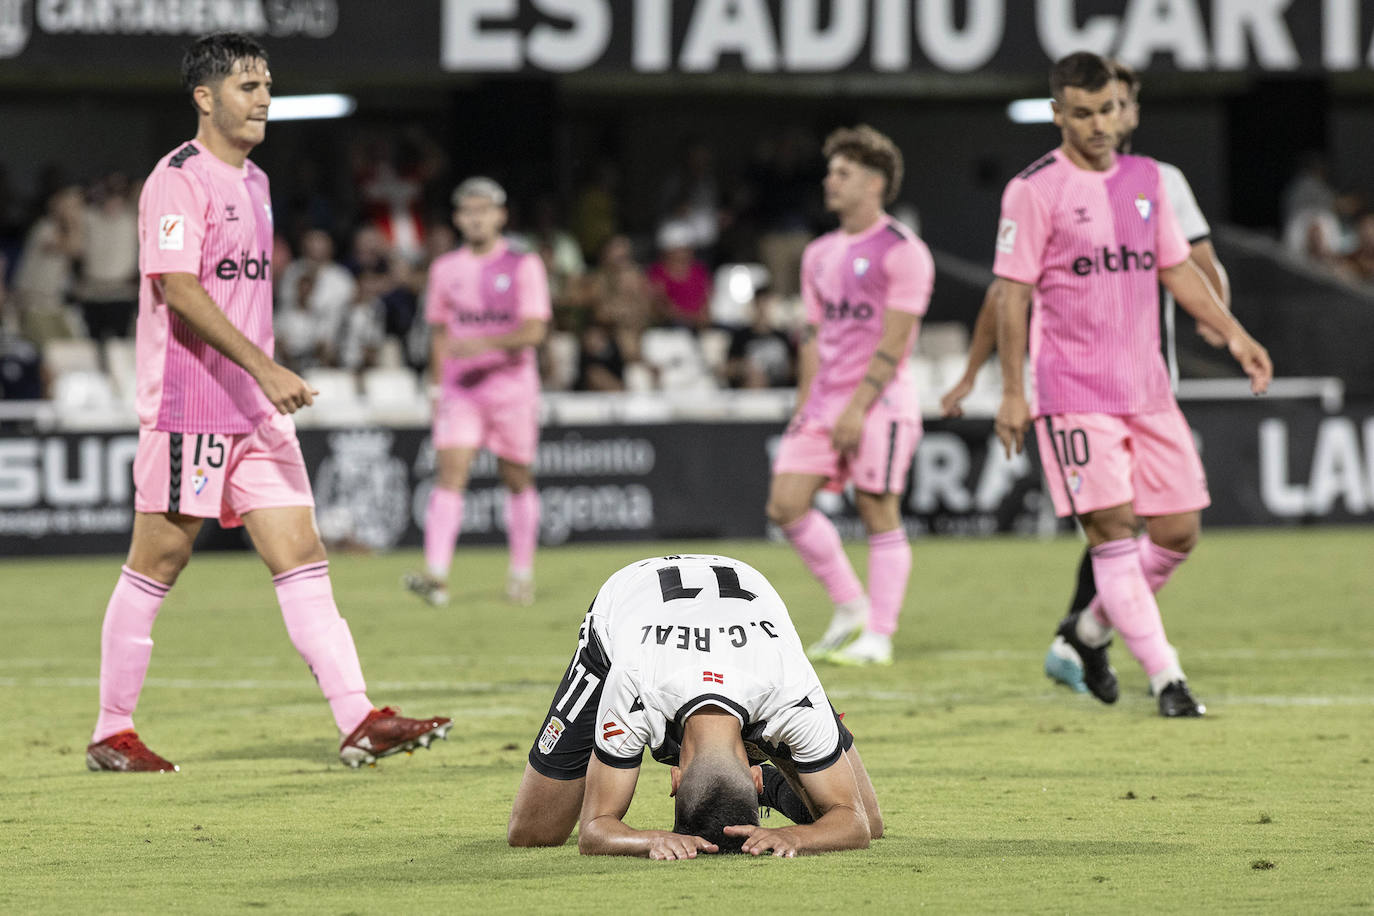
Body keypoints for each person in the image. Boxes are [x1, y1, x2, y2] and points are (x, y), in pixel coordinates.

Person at [84, 33, 452, 774]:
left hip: (253, 409)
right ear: (205, 97)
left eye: (267, 85)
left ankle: (359, 719)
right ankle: (111, 731)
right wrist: (266, 365)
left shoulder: (254, 180)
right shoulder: (177, 179)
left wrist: (261, 377)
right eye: (248, 86)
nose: (263, 100)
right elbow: (178, 290)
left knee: (303, 555)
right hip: (192, 403)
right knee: (159, 559)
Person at [989, 52, 1272, 717]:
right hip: (1074, 394)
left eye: (1109, 109)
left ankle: (1088, 632)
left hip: (1149, 389)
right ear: (1059, 114)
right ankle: (1169, 679)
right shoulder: (1033, 190)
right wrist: (1010, 390)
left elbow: (1177, 271)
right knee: (1113, 534)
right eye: (1083, 113)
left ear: (1124, 107)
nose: (1099, 125)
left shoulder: (1148, 179)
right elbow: (1010, 297)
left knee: (1177, 533)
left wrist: (1236, 336)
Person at [506, 553, 883, 858]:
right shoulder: (635, 681)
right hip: (630, 598)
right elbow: (591, 831)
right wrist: (648, 839)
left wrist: (794, 836)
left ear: (676, 778)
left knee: (869, 819)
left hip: (757, 644)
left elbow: (861, 824)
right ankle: (748, 789)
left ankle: (760, 789)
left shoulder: (790, 685)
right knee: (536, 831)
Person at [763, 125, 935, 667]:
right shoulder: (817, 254)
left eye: (843, 173)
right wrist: (804, 406)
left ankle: (879, 636)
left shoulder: (903, 251)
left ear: (875, 183)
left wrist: (858, 407)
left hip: (879, 400)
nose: (829, 181)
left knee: (876, 506)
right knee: (785, 504)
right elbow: (813, 336)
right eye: (830, 171)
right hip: (824, 401)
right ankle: (851, 606)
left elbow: (896, 338)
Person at [403, 177, 550, 608]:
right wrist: (434, 387)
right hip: (459, 390)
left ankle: (521, 573)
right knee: (450, 474)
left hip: (512, 389)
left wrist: (484, 343)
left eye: (484, 209)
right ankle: (437, 577)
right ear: (457, 218)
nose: (476, 217)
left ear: (501, 215)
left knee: (517, 478)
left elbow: (535, 329)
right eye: (468, 211)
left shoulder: (524, 264)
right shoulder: (445, 269)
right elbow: (439, 334)